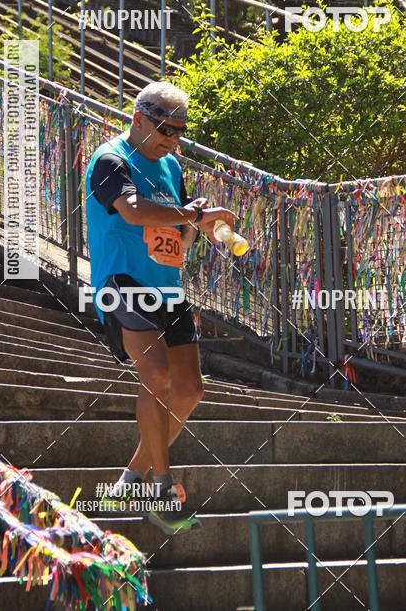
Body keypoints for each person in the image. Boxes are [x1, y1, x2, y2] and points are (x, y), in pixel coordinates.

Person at [84, 81, 236, 534]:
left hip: (167, 289)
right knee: (156, 374)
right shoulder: (110, 160)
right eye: (166, 130)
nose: (173, 141)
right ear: (137, 119)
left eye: (179, 133)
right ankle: (161, 488)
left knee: (190, 390)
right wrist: (191, 216)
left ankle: (132, 478)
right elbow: (132, 211)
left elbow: (179, 233)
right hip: (122, 283)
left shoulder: (171, 166)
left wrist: (202, 226)